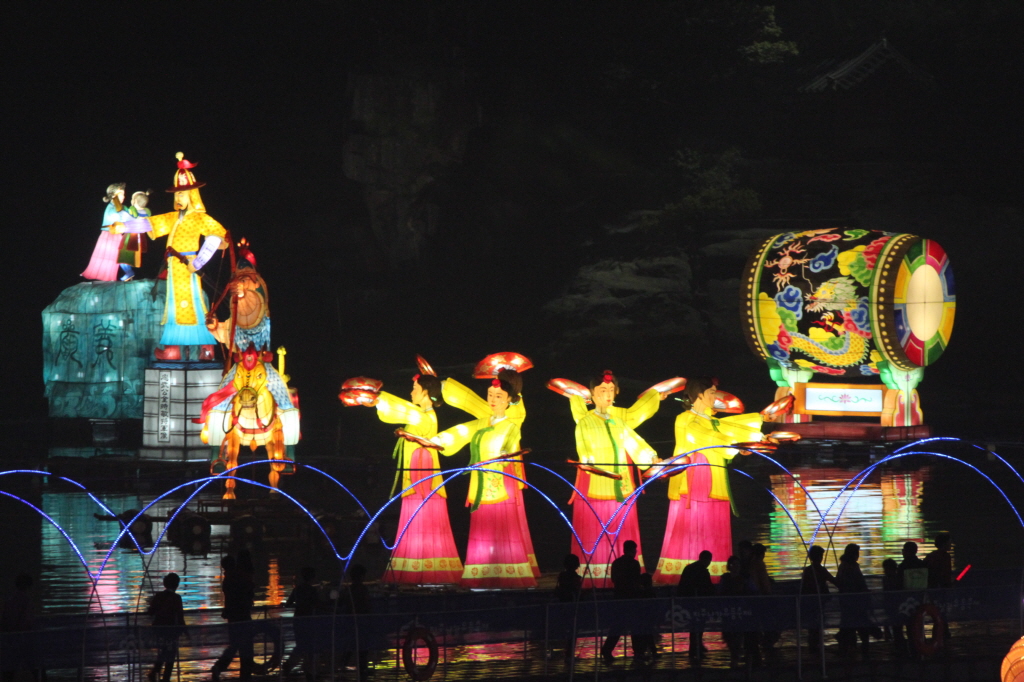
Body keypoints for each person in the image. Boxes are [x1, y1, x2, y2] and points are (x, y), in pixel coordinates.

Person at [349, 370, 462, 584]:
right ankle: (415, 566)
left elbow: (403, 412)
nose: (411, 393)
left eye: (415, 389)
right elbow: (404, 414)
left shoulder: (426, 416)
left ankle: (427, 569)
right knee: (415, 516)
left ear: (426, 392)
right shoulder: (421, 415)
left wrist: (378, 399)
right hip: (415, 475)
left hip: (424, 477)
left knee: (423, 515)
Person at [112, 152, 227, 361]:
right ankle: (173, 348)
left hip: (188, 267)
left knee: (194, 305)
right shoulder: (174, 217)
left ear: (192, 195)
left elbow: (219, 237)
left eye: (182, 194)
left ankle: (206, 347)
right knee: (173, 307)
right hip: (174, 268)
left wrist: (199, 260)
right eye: (177, 194)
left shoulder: (200, 218)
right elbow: (149, 223)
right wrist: (124, 226)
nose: (178, 198)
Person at [652, 378, 764, 584]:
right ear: (699, 395)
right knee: (696, 521)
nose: (715, 396)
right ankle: (686, 574)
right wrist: (737, 444)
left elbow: (729, 431)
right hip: (695, 478)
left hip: (715, 477)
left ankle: (717, 573)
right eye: (711, 392)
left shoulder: (713, 421)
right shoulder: (686, 419)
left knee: (714, 520)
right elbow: (707, 436)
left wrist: (756, 431)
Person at [433, 366, 537, 588]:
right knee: (483, 525)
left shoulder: (513, 420)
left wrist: (504, 454)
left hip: (501, 477)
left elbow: (510, 447)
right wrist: (440, 441)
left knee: (505, 522)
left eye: (498, 396)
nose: (492, 400)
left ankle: (509, 569)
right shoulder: (484, 422)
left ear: (509, 398)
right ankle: (481, 570)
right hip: (481, 480)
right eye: (490, 395)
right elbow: (465, 430)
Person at [561, 370, 663, 587]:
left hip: (621, 483)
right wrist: (588, 462)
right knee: (596, 525)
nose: (607, 394)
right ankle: (596, 571)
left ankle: (624, 570)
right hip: (597, 481)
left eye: (610, 390)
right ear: (592, 394)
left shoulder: (618, 422)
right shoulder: (585, 422)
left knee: (621, 526)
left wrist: (651, 458)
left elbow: (634, 442)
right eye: (602, 390)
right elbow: (583, 448)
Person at [212, 554, 255, 681]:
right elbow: (248, 591)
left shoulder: (227, 580)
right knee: (245, 648)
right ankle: (244, 675)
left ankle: (219, 666)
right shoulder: (239, 578)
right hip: (242, 616)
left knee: (235, 645)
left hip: (232, 617)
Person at [600, 539, 642, 664]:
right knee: (635, 627)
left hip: (619, 597)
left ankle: (607, 650)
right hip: (631, 599)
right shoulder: (634, 564)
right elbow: (636, 581)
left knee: (617, 626)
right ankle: (638, 652)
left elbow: (614, 579)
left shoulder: (616, 563)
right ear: (632, 550)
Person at [82, 182, 134, 282]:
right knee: (111, 256)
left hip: (116, 235)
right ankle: (120, 274)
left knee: (118, 255)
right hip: (109, 235)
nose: (123, 196)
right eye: (121, 194)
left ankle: (126, 273)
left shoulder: (119, 207)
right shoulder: (112, 208)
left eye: (123, 194)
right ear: (113, 195)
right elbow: (120, 217)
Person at [1, 573, 46, 682]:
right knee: (35, 663)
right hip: (23, 643)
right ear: (29, 586)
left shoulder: (10, 601)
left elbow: (5, 621)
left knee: (10, 664)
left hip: (10, 642)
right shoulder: (26, 601)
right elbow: (25, 623)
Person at [281, 568, 321, 681]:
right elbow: (317, 604)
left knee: (301, 644)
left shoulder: (297, 589)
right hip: (309, 620)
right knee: (310, 646)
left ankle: (290, 664)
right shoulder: (312, 590)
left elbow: (288, 604)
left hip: (298, 620)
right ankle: (309, 671)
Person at [147, 572, 186, 682]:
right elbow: (180, 616)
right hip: (172, 631)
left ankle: (155, 671)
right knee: (170, 655)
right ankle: (165, 677)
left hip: (159, 630)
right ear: (176, 585)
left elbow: (151, 612)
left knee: (163, 651)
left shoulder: (158, 596)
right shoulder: (177, 598)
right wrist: (185, 630)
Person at [835, 544, 872, 658]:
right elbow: (859, 583)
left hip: (847, 602)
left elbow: (839, 582)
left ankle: (847, 648)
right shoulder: (852, 567)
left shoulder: (843, 566)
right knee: (861, 627)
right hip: (856, 602)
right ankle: (862, 650)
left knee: (849, 626)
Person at [677, 550, 714, 662]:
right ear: (707, 560)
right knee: (699, 627)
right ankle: (695, 650)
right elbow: (708, 588)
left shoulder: (689, 568)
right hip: (700, 603)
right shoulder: (702, 571)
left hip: (689, 602)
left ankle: (695, 648)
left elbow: (681, 586)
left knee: (693, 627)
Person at [800, 545, 836, 658]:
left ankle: (813, 647)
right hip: (819, 601)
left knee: (813, 627)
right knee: (817, 625)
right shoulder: (821, 570)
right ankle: (816, 647)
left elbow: (803, 587)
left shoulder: (808, 570)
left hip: (809, 602)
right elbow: (834, 581)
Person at [555, 554, 584, 662]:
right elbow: (577, 592)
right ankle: (569, 654)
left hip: (563, 606)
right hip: (572, 607)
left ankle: (568, 654)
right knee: (573, 631)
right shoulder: (574, 577)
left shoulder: (562, 576)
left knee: (568, 631)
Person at [717, 556, 744, 665]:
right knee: (729, 634)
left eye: (737, 565)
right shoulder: (725, 578)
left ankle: (736, 655)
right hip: (728, 610)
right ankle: (734, 655)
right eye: (733, 565)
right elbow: (720, 592)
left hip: (740, 611)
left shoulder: (744, 578)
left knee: (739, 634)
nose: (735, 567)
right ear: (729, 566)